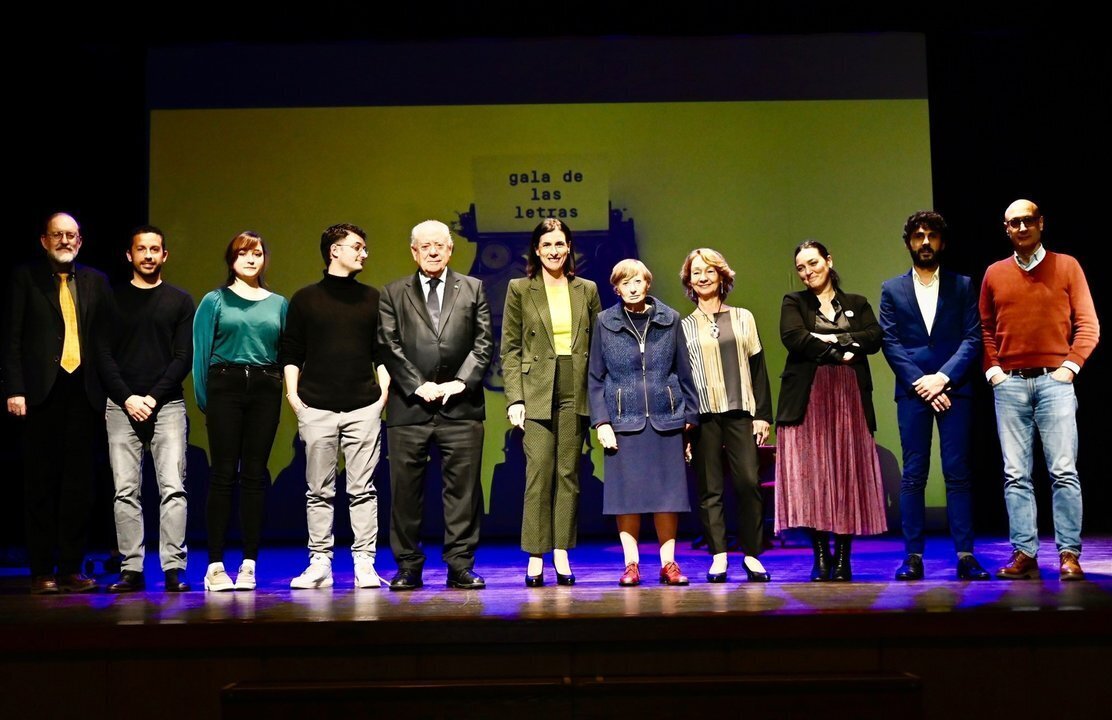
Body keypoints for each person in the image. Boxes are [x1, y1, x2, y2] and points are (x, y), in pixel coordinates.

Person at [981, 199, 1099, 581]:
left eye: (1027, 220)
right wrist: (994, 371)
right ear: (1006, 229)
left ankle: (1069, 554)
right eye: (1013, 222)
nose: (1021, 228)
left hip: (1055, 382)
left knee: (1063, 471)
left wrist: (1070, 366)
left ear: (1041, 223)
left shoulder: (1067, 266)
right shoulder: (994, 273)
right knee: (1015, 474)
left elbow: (1089, 324)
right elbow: (984, 328)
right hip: (1009, 384)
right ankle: (1024, 553)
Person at [378, 220, 493, 591]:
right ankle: (408, 566)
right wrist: (418, 385)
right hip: (409, 407)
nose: (432, 251)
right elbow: (389, 345)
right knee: (405, 493)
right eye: (425, 246)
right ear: (414, 251)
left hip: (461, 407)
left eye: (439, 245)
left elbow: (483, 342)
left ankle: (460, 565)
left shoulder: (473, 288)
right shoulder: (392, 293)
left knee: (464, 492)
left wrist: (460, 382)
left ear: (450, 249)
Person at [3, 212, 111, 594]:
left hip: (85, 393)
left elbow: (107, 339)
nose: (65, 241)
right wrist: (14, 388)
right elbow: (11, 338)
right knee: (40, 486)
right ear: (44, 240)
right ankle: (41, 571)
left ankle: (70, 569)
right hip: (40, 394)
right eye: (57, 235)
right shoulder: (25, 278)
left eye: (71, 235)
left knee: (79, 488)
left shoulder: (97, 281)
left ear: (80, 241)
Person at [879, 211, 990, 581]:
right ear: (908, 242)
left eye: (932, 235)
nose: (925, 242)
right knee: (914, 474)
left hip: (954, 389)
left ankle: (966, 555)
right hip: (913, 393)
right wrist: (921, 383)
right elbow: (890, 342)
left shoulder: (962, 285)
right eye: (918, 236)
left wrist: (942, 379)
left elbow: (972, 337)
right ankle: (912, 556)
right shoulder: (892, 289)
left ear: (942, 241)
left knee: (957, 473)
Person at [281, 223, 390, 590]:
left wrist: (382, 396)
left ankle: (364, 563)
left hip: (363, 407)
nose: (364, 253)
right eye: (357, 246)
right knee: (318, 491)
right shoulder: (305, 299)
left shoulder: (373, 298)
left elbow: (381, 353)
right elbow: (292, 352)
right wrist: (294, 398)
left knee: (363, 489)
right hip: (316, 407)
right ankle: (320, 563)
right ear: (334, 251)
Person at [775, 240, 886, 582]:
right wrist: (841, 351)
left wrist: (831, 339)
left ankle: (843, 559)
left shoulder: (857, 302)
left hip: (849, 396)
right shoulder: (794, 301)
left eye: (813, 263)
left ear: (829, 261)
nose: (807, 272)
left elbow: (874, 337)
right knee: (815, 476)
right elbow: (795, 338)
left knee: (845, 474)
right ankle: (821, 556)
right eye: (801, 268)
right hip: (808, 396)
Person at [501, 219, 601, 587]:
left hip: (576, 385)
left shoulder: (587, 289)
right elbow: (510, 349)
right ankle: (535, 553)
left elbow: (598, 347)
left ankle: (561, 551)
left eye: (560, 244)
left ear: (569, 246)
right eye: (547, 245)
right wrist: (515, 397)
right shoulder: (519, 288)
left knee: (568, 474)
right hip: (537, 387)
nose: (554, 251)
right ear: (536, 250)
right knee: (539, 472)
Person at [588, 259, 698, 587]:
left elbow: (684, 370)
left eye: (638, 281)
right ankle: (631, 564)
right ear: (616, 289)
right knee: (627, 498)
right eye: (625, 283)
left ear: (647, 284)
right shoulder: (604, 322)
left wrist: (690, 415)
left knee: (667, 496)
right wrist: (601, 421)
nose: (633, 288)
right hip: (624, 420)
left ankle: (669, 563)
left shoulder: (670, 319)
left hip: (666, 418)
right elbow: (595, 378)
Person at [99, 225, 195, 593]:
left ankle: (173, 568)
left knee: (173, 488)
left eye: (155, 249)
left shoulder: (180, 300)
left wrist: (152, 398)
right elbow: (103, 354)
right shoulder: (111, 299)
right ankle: (131, 569)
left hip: (166, 406)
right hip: (121, 406)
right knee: (125, 490)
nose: (149, 255)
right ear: (130, 255)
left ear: (165, 255)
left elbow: (183, 357)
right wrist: (128, 398)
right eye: (142, 249)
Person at [192, 231, 287, 591]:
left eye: (257, 253)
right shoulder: (214, 300)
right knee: (222, 474)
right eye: (243, 253)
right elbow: (200, 353)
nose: (250, 259)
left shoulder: (278, 303)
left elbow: (285, 353)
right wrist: (206, 400)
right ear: (231, 259)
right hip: (225, 385)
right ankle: (215, 565)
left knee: (255, 475)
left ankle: (249, 563)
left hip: (265, 387)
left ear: (265, 259)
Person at [679, 248, 773, 583]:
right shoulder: (683, 326)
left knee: (748, 482)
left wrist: (763, 415)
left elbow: (758, 368)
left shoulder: (743, 317)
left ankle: (752, 554)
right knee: (710, 488)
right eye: (696, 272)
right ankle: (718, 555)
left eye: (710, 271)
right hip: (704, 415)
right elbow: (682, 379)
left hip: (740, 412)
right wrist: (686, 426)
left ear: (722, 277)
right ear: (689, 281)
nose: (703, 277)